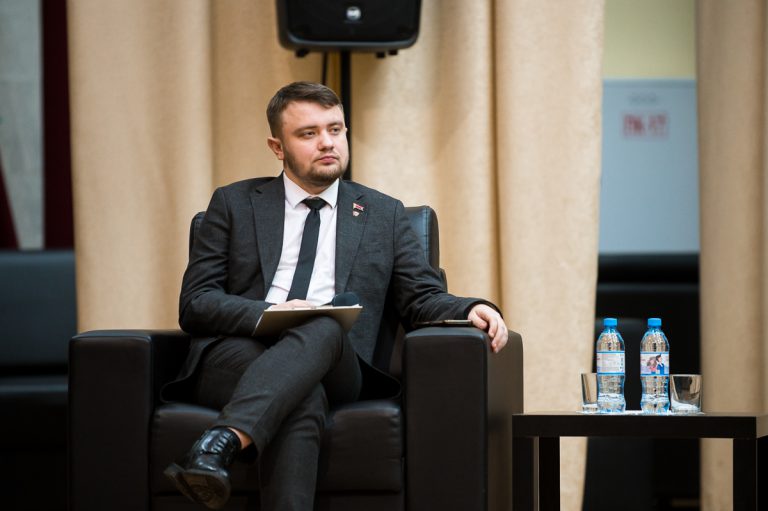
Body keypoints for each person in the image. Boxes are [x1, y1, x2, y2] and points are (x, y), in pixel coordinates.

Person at [162, 81, 509, 510]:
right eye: (308, 133)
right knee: (301, 397)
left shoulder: (383, 214)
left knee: (325, 323)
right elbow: (196, 302)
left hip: (337, 361)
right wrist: (271, 311)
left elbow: (421, 296)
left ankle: (221, 442)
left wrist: (473, 307)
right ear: (277, 147)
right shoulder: (233, 203)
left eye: (335, 129)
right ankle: (217, 449)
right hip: (239, 353)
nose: (327, 142)